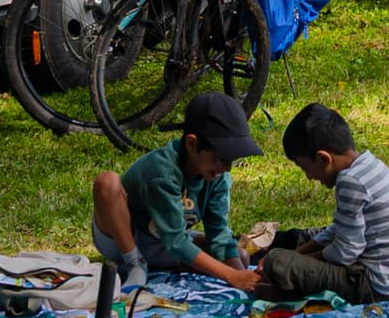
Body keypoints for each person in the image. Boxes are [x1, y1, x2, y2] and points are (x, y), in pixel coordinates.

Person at [253, 102, 389, 302]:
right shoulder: (370, 165)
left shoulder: (350, 182)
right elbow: (337, 230)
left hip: (378, 289)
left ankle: (284, 291)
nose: (309, 177)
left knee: (276, 261)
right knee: (302, 244)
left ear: (323, 159)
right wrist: (298, 253)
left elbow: (345, 252)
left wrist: (296, 261)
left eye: (304, 168)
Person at [93, 91, 263, 291]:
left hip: (164, 242)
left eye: (231, 161)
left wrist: (241, 278)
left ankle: (168, 264)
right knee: (107, 182)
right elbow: (175, 241)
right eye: (220, 159)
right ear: (192, 144)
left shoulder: (217, 175)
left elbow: (218, 232)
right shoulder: (162, 171)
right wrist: (230, 275)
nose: (226, 168)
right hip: (128, 239)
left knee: (240, 258)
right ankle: (134, 264)